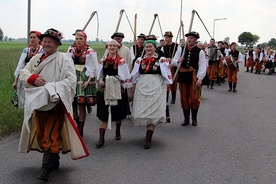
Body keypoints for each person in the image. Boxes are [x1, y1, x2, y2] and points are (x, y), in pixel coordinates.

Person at [18, 28, 89, 181]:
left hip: (54, 103)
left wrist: (50, 88)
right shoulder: (36, 58)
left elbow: (70, 81)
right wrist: (33, 78)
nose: (46, 44)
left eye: (50, 41)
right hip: (38, 104)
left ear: (57, 44)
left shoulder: (64, 59)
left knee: (50, 134)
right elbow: (24, 73)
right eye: (44, 41)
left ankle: (46, 169)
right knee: (42, 133)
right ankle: (54, 160)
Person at [131, 39, 172, 149]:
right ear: (144, 48)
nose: (148, 49)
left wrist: (166, 87)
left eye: (150, 47)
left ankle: (148, 137)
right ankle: (147, 130)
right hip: (142, 86)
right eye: (146, 47)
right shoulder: (139, 60)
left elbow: (167, 75)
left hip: (156, 85)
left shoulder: (161, 60)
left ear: (155, 48)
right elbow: (134, 75)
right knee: (143, 111)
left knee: (154, 112)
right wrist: (130, 86)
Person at [96, 40, 133, 148]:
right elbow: (100, 74)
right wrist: (101, 81)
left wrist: (117, 81)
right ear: (107, 47)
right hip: (105, 89)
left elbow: (125, 76)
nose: (112, 47)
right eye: (110, 45)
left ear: (118, 48)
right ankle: (101, 138)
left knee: (118, 112)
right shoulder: (103, 60)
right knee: (103, 114)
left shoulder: (121, 61)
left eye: (114, 46)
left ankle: (117, 130)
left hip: (117, 89)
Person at [66, 30, 98, 137]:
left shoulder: (90, 51)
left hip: (83, 77)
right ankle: (76, 123)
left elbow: (94, 67)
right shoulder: (71, 49)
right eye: (77, 39)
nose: (78, 41)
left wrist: (89, 81)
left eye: (80, 39)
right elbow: (66, 62)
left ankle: (80, 129)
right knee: (73, 103)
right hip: (73, 76)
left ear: (85, 40)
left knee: (81, 104)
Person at [172, 31, 206, 126]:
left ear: (195, 40)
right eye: (188, 38)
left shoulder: (200, 52)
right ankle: (186, 119)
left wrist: (200, 78)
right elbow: (174, 60)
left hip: (193, 76)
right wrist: (178, 61)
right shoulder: (181, 49)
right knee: (184, 98)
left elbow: (202, 66)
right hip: (183, 76)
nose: (189, 40)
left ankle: (194, 119)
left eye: (191, 38)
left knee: (194, 98)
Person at [12, 31, 44, 108]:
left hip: (38, 76)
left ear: (39, 39)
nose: (32, 39)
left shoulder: (42, 50)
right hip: (26, 76)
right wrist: (16, 81)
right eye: (31, 37)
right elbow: (20, 65)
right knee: (24, 97)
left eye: (34, 37)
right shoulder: (26, 50)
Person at [161, 31, 179, 104]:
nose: (165, 39)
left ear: (171, 38)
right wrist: (166, 60)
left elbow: (179, 56)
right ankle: (166, 97)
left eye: (167, 37)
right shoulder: (163, 47)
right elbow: (161, 57)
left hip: (174, 67)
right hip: (167, 67)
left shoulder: (177, 46)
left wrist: (173, 61)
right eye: (165, 37)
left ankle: (173, 98)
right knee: (166, 82)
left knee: (174, 82)